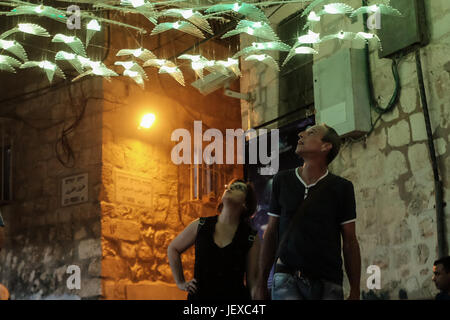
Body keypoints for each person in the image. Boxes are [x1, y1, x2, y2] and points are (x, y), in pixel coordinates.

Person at [255, 124, 361, 300]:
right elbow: (271, 233)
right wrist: (261, 283)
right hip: (286, 278)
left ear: (325, 146)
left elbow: (350, 241)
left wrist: (355, 290)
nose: (300, 134)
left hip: (328, 282)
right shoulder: (282, 180)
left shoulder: (342, 188)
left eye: (310, 133)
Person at [168, 179, 260, 300]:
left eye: (239, 187)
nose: (230, 188)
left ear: (245, 203)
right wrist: (181, 282)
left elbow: (252, 281)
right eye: (229, 186)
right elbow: (173, 248)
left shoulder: (250, 236)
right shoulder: (201, 225)